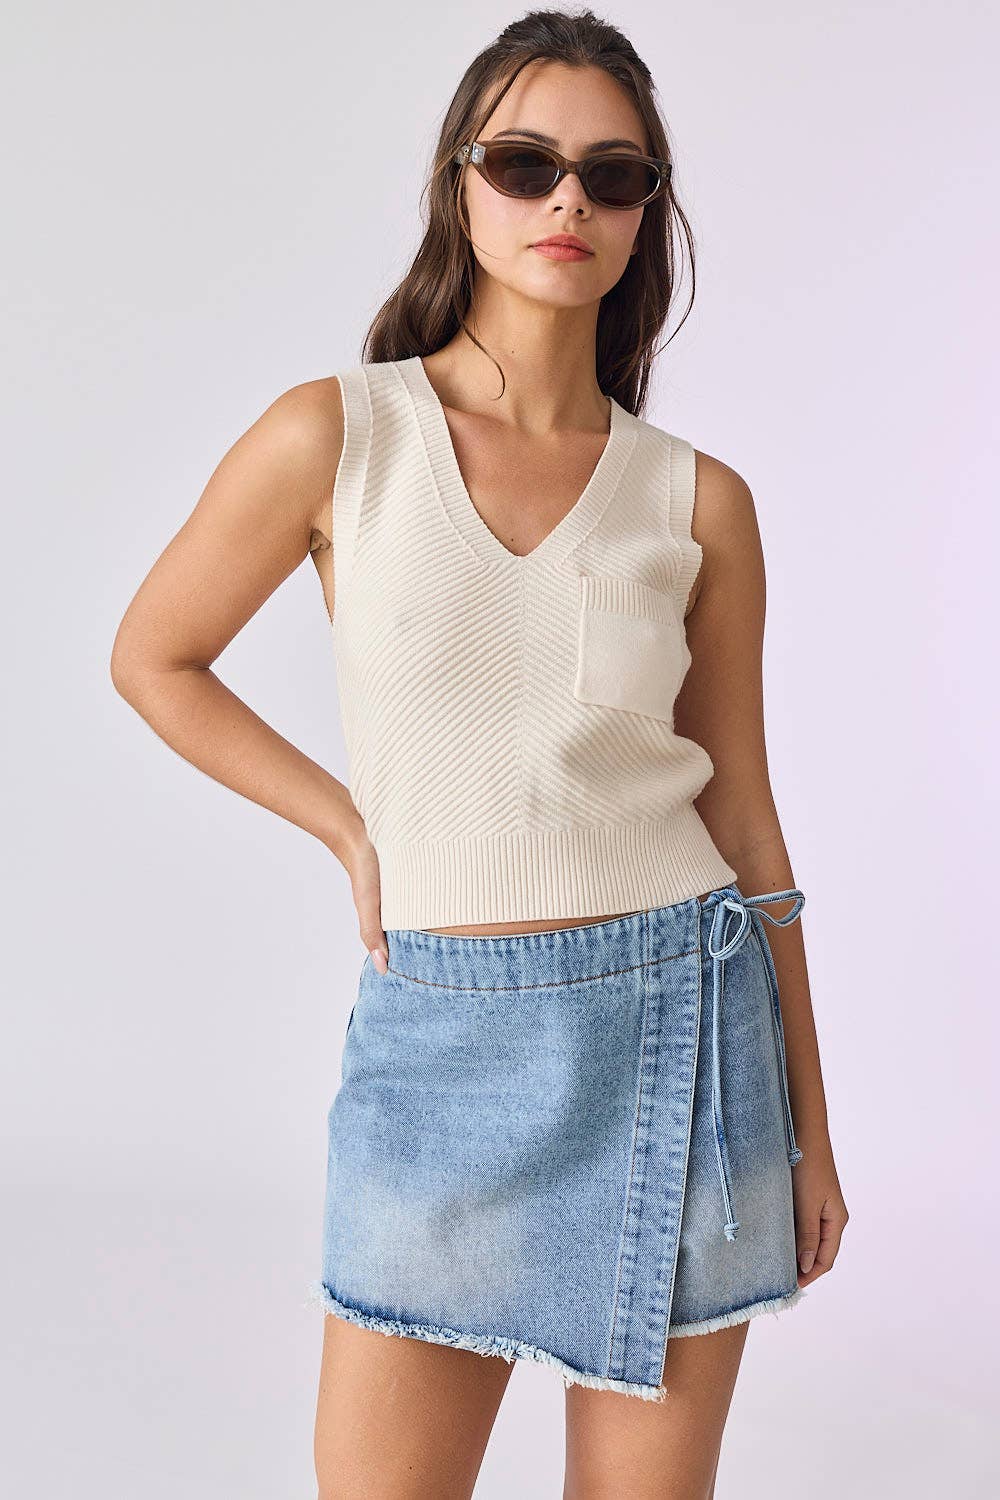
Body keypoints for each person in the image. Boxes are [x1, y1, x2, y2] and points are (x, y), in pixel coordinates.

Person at [110, 9, 848, 1498]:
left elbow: (751, 827)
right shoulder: (339, 436)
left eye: (613, 174)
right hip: (442, 1043)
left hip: (688, 1033)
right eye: (525, 163)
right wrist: (347, 825)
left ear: (646, 215)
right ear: (461, 184)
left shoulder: (698, 501)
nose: (568, 200)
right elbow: (154, 657)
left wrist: (808, 1132)